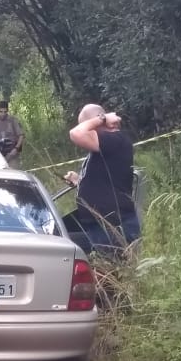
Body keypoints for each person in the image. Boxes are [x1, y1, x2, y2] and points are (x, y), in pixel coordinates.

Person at [61, 103, 140, 256]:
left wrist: (102, 119)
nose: (85, 128)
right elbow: (106, 179)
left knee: (114, 274)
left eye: (86, 124)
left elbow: (76, 134)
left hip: (114, 226)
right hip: (102, 226)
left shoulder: (115, 139)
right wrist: (80, 181)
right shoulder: (104, 145)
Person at [0, 100, 25, 168]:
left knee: (13, 174)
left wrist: (16, 149)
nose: (3, 114)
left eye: (5, 112)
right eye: (1, 111)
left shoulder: (13, 121)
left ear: (7, 111)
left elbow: (21, 135)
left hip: (12, 154)